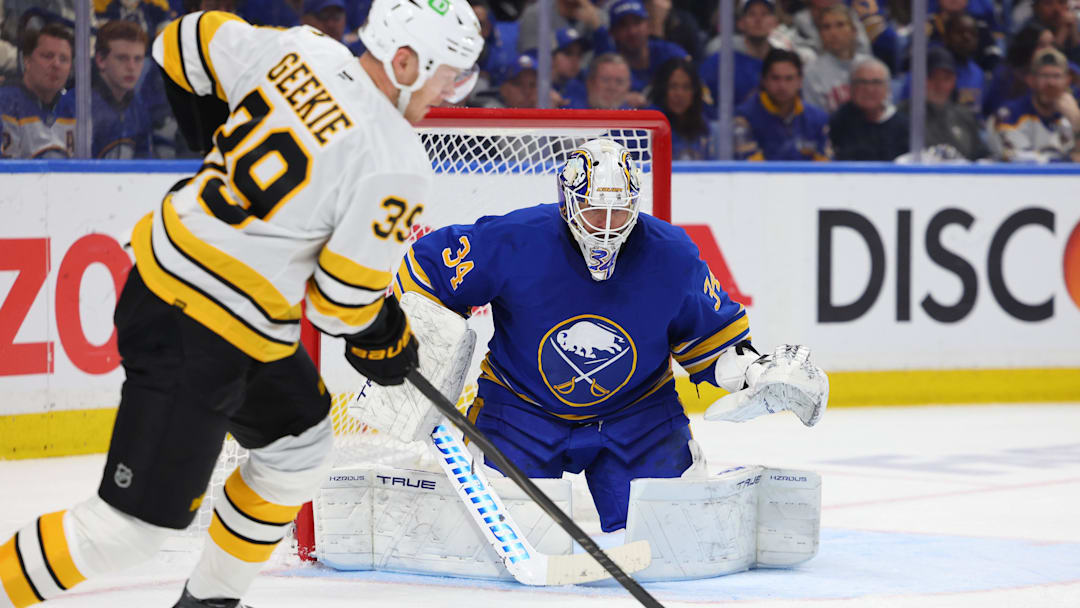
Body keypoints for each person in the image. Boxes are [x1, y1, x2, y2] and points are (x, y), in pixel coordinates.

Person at [0, 2, 482, 608]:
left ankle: (210, 603)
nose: (455, 90)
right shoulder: (395, 160)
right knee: (126, 533)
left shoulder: (302, 49)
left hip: (190, 296)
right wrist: (387, 343)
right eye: (451, 74)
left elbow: (180, 41)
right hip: (199, 325)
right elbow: (342, 304)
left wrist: (215, 144)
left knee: (300, 445)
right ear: (407, 61)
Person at [393, 137, 827, 533]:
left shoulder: (671, 254)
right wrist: (414, 342)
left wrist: (756, 372)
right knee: (504, 533)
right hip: (521, 412)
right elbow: (425, 269)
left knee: (673, 535)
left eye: (618, 211)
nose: (606, 225)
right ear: (567, 203)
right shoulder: (515, 239)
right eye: (594, 210)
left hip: (637, 417)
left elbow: (715, 343)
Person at [733, 48, 831, 161]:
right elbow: (749, 169)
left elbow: (826, 168)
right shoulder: (744, 118)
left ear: (800, 81)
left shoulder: (818, 119)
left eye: (789, 79)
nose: (782, 86)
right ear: (764, 80)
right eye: (775, 78)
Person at [898, 46, 990, 161]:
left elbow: (982, 156)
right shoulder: (901, 116)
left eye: (946, 78)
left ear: (953, 81)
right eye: (932, 78)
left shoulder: (965, 116)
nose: (939, 85)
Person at [989, 47, 1080, 162]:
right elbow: (1020, 161)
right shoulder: (1009, 115)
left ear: (1067, 81)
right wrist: (1069, 160)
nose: (1051, 83)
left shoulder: (1072, 115)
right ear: (1031, 80)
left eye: (1057, 76)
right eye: (1044, 76)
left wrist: (1077, 123)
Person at [0, 22, 74, 158]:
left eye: (63, 59)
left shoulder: (75, 108)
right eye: (48, 56)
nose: (56, 64)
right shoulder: (5, 103)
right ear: (27, 61)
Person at [602, 0, 689, 107]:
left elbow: (692, 80)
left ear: (648, 25)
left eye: (637, 22)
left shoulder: (669, 52)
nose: (632, 31)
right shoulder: (607, 67)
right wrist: (619, 100)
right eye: (623, 25)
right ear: (612, 33)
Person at [91, 20, 154, 158]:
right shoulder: (78, 106)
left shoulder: (138, 107)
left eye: (138, 59)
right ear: (101, 60)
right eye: (122, 58)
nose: (131, 67)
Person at [829, 57, 910, 161]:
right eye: (862, 82)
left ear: (888, 88)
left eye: (876, 82)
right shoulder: (838, 121)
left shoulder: (903, 126)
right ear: (851, 87)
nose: (869, 89)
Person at [802, 5, 871, 113]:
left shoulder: (871, 66)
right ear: (820, 34)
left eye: (840, 25)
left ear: (854, 31)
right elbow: (816, 118)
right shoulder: (811, 72)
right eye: (826, 27)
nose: (833, 33)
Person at [649, 57, 714, 160]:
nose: (679, 94)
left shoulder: (703, 126)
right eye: (673, 86)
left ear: (694, 91)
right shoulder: (649, 125)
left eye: (686, 87)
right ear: (663, 89)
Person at [517, 0, 604, 54]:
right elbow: (532, 57)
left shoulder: (598, 18)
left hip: (585, 80)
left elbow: (607, 59)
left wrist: (597, 28)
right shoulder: (535, 15)